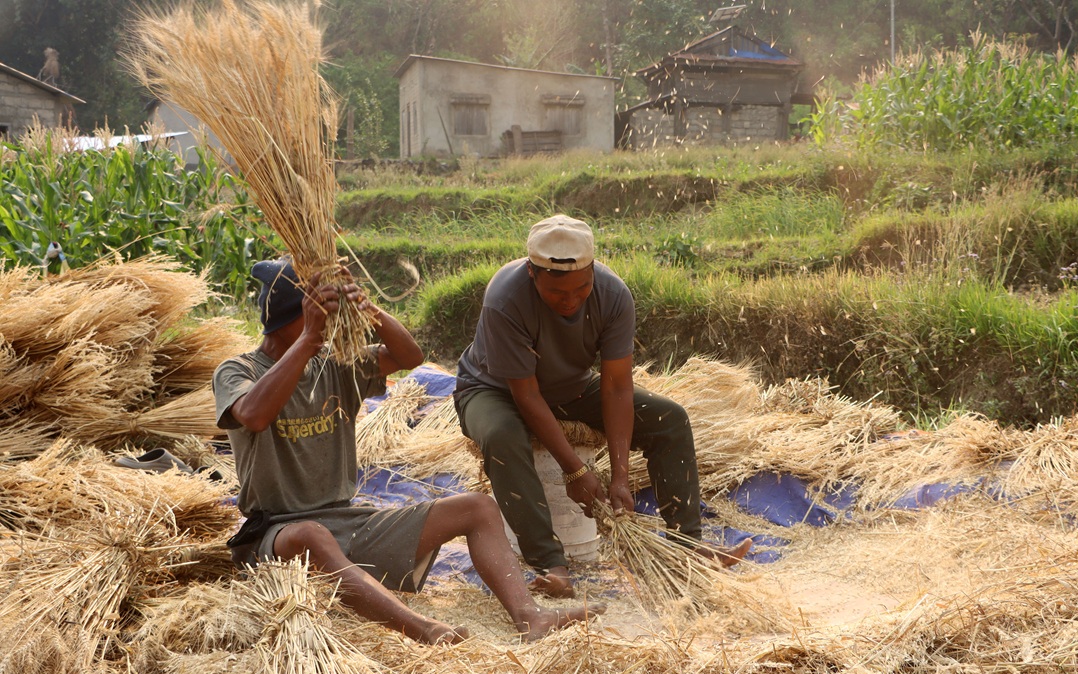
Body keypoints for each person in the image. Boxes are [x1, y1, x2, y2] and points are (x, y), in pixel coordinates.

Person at [213, 258, 603, 644]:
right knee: (313, 535)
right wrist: (307, 341)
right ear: (289, 318)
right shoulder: (238, 370)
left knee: (478, 507)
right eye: (320, 313)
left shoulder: (332, 364)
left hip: (349, 523)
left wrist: (367, 307)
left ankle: (529, 616)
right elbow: (254, 415)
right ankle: (424, 629)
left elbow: (408, 357)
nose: (329, 324)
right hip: (278, 534)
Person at [454, 215, 752, 599]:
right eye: (558, 294)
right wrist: (576, 471)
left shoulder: (613, 295)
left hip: (571, 388)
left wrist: (621, 478)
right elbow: (526, 396)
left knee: (669, 419)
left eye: (581, 288)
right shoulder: (505, 299)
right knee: (501, 436)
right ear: (532, 273)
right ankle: (550, 563)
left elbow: (615, 387)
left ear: (593, 269)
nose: (571, 300)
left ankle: (687, 547)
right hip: (494, 389)